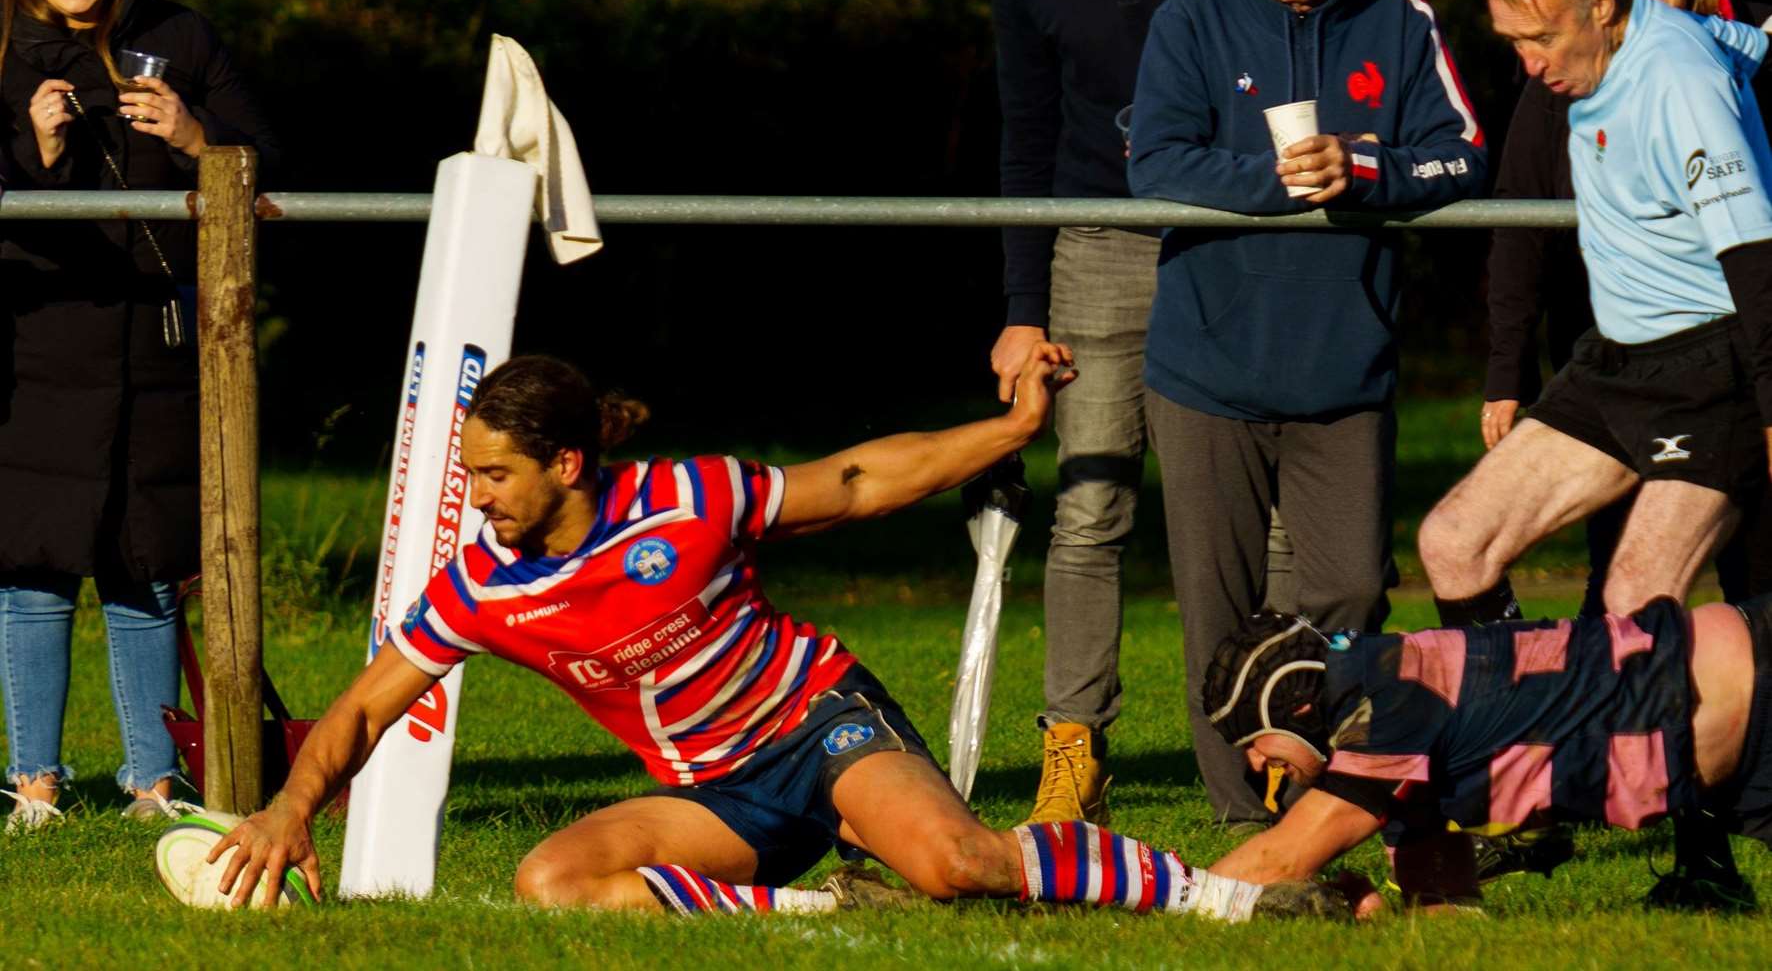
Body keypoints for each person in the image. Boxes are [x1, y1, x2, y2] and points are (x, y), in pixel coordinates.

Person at [207, 353, 1344, 922]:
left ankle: (1220, 895)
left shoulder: (684, 500)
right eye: (469, 478)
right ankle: (821, 904)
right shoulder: (482, 587)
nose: (478, 498)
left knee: (960, 869)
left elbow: (852, 482)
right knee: (555, 883)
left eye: (494, 475)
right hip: (715, 794)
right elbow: (361, 704)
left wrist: (1009, 430)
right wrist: (287, 810)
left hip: (820, 723)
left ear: (564, 463)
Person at [1126, 0, 1487, 826]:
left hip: (1344, 371)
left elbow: (1463, 157)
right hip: (1206, 367)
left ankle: (1323, 789)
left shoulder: (1397, 19)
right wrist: (1286, 181)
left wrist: (1364, 173)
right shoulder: (1192, 16)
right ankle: (1243, 820)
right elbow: (1155, 162)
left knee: (1353, 591)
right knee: (1216, 608)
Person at [0, 0, 280, 830]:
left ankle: (153, 785)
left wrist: (199, 140)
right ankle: (35, 785)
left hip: (161, 342)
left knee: (145, 564)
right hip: (39, 342)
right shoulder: (2, 51)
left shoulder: (181, 37)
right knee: (33, 571)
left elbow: (267, 162)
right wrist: (33, 150)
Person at [1418, 0, 1772, 640]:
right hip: (1616, 363)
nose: (1531, 65)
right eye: (1515, 42)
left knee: (1633, 603)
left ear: (1601, 4)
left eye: (1542, 38)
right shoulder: (1624, 41)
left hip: (1713, 371)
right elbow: (1747, 40)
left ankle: (1682, 753)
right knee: (1454, 543)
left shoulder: (1680, 82)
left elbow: (1756, 261)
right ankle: (1515, 743)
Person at [991, 0, 1244, 826]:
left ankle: (1262, 733)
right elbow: (1026, 131)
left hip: (1228, 233)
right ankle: (1075, 751)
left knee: (1234, 511)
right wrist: (1024, 308)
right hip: (1096, 244)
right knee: (1090, 507)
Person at [1196, 594, 1772, 914]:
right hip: (1734, 752)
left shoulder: (1386, 714)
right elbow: (1448, 916)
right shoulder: (1396, 723)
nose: (1254, 765)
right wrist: (1358, 917)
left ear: (1295, 706)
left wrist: (1145, 891)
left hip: (1747, 696)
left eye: (1253, 743)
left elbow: (1279, 861)